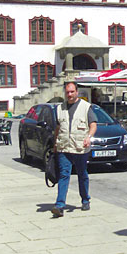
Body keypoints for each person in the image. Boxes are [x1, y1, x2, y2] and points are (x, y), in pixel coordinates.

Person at [51, 81, 96, 217]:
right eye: (67, 92)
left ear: (77, 92)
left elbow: (93, 125)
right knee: (64, 175)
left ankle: (85, 199)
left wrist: (89, 137)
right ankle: (60, 205)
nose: (69, 94)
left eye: (72, 92)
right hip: (64, 147)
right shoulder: (59, 108)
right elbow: (58, 127)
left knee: (82, 174)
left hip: (80, 147)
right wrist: (55, 144)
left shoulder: (86, 107)